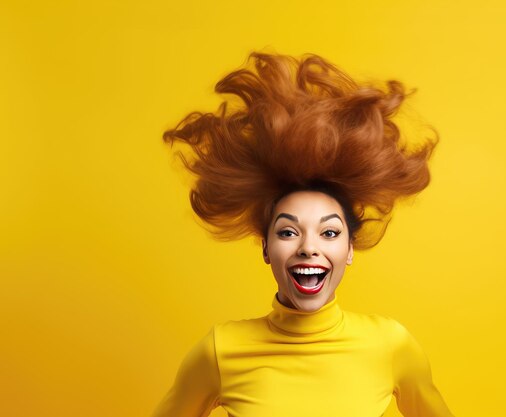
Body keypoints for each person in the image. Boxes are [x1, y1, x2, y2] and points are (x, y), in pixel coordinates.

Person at [152, 51, 455, 417]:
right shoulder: (221, 349)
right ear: (265, 246)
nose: (309, 248)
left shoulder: (390, 345)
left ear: (349, 249)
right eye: (289, 232)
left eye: (329, 232)